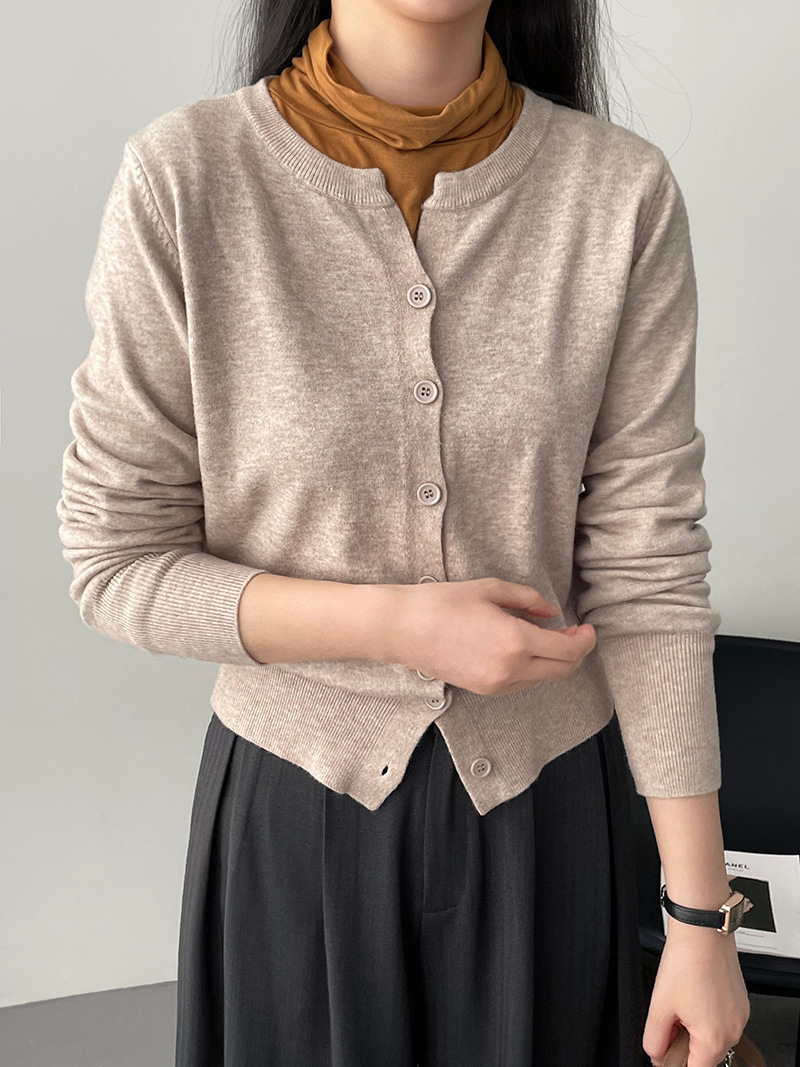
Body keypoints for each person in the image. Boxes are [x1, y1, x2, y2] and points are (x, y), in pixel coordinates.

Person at [56, 1, 751, 1064]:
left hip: (552, 819)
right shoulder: (186, 177)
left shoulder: (618, 192)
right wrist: (396, 626)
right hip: (294, 822)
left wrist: (701, 918)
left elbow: (647, 567)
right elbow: (116, 562)